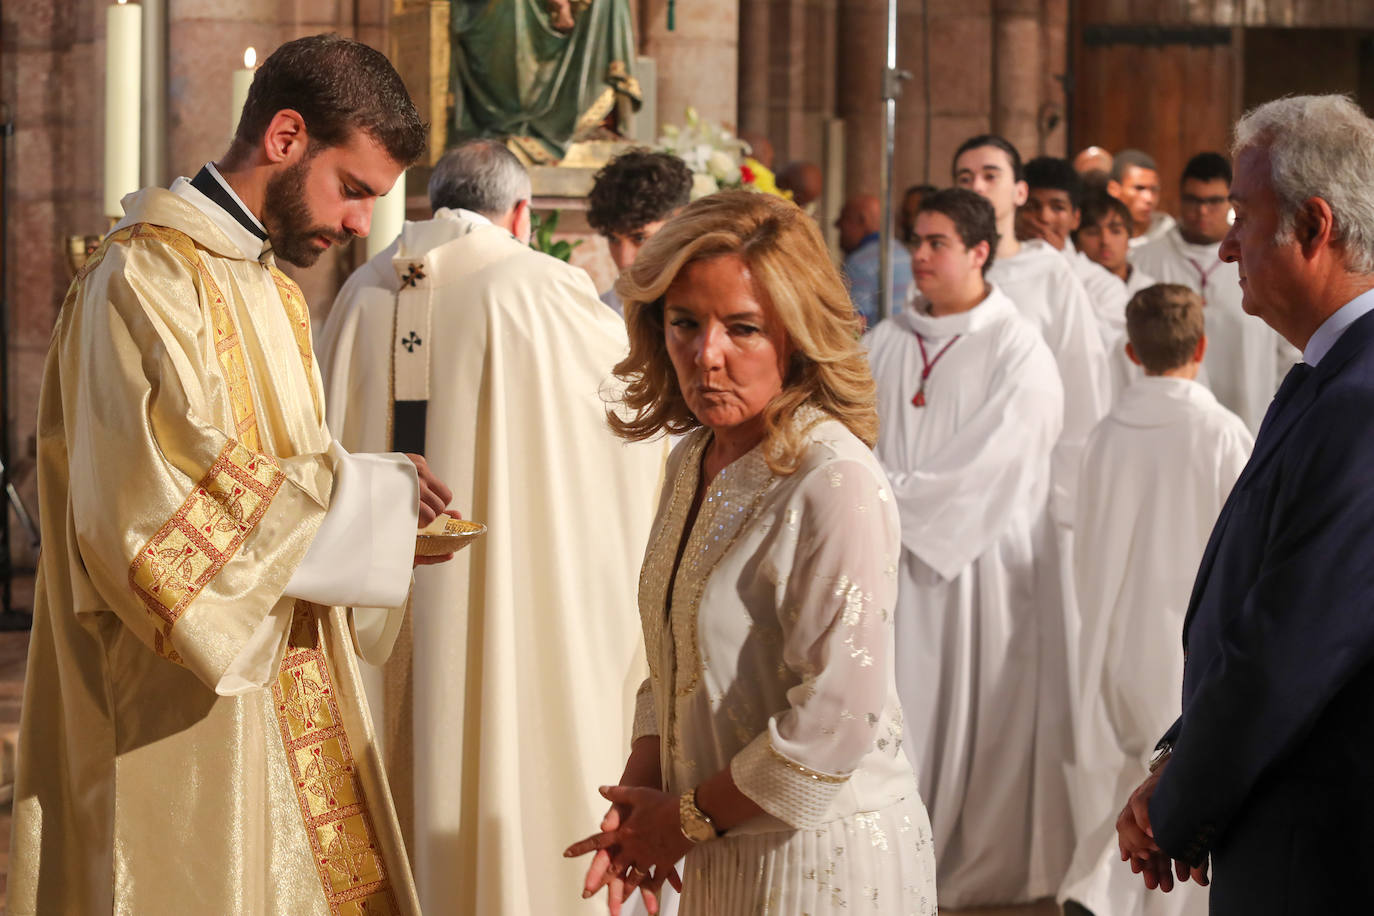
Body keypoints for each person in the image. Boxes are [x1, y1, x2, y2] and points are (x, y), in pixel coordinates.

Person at [7, 35, 454, 914]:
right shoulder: (144, 275)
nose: (362, 222)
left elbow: (270, 466)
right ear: (286, 136)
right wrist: (366, 511)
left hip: (276, 684)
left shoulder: (271, 287)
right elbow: (145, 509)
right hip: (168, 712)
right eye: (354, 189)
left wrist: (376, 486)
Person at [564, 190, 936, 915]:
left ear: (796, 335)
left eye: (743, 328)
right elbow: (675, 659)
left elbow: (836, 719)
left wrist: (683, 821)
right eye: (684, 324)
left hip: (821, 860)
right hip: (721, 844)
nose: (706, 355)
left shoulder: (834, 481)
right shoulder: (693, 458)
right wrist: (643, 799)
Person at [319, 139, 665, 916]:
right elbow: (637, 436)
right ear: (521, 212)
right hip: (511, 609)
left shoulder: (361, 293)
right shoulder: (546, 292)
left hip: (378, 610)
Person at [1116, 94, 1374, 913]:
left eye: (1243, 216)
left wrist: (1182, 803)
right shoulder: (1329, 376)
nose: (1225, 245)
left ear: (1314, 227)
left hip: (1323, 837)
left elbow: (1295, 639)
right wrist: (1182, 758)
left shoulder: (1362, 394)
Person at [866, 188, 1064, 907]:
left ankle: (957, 871)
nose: (918, 255)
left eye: (936, 243)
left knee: (971, 721)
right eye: (915, 240)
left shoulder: (1017, 346)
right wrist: (879, 500)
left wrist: (887, 496)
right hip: (888, 563)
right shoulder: (887, 339)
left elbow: (1005, 457)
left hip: (976, 570)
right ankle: (891, 860)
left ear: (980, 252)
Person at [1060, 284, 1250, 916]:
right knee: (1169, 784)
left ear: (1129, 352)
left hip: (1114, 633)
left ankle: (1094, 890)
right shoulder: (1222, 432)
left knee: (1121, 777)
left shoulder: (1106, 435)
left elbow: (1085, 538)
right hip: (1184, 639)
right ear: (1202, 345)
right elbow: (1243, 550)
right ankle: (1128, 900)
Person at [954, 134, 1108, 526]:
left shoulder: (1049, 274)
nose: (977, 187)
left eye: (990, 176)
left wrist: (1072, 494)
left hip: (1031, 482)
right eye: (964, 178)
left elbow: (1082, 382)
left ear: (1019, 191)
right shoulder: (943, 274)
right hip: (953, 478)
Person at [1133, 152, 1298, 432]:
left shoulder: (1262, 260)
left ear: (1231, 202)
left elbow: (1289, 351)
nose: (1202, 211)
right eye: (1194, 200)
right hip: (1168, 424)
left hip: (1251, 421)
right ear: (1179, 199)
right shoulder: (1145, 260)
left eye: (1213, 201)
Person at [1023, 155, 1131, 352]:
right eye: (1032, 206)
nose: (1044, 217)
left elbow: (1109, 349)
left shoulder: (1104, 286)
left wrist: (1056, 263)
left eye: (1057, 207)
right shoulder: (997, 271)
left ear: (1075, 218)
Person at [587, 149, 694, 315]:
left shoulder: (707, 302)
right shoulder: (599, 314)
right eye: (613, 239)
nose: (624, 260)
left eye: (639, 238)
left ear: (680, 225)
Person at [836, 193, 914, 328]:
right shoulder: (903, 253)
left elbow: (852, 324)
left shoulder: (859, 263)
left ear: (862, 219)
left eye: (844, 218)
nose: (836, 224)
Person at [1108, 149, 1175, 247]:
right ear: (1113, 189)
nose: (1149, 199)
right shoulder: (1099, 236)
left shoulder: (1167, 232)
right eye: (1139, 188)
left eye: (1154, 189)